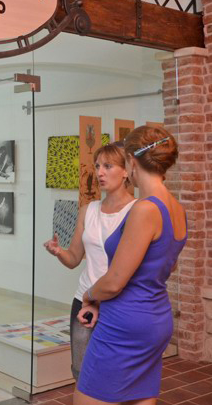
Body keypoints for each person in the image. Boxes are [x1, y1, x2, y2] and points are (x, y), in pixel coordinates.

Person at [74, 126, 185, 404]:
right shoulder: (176, 208)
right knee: (139, 397)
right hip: (157, 319)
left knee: (85, 398)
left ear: (132, 162)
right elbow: (168, 267)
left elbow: (114, 282)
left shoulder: (144, 209)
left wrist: (89, 296)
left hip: (125, 324)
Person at [44, 142, 135, 380]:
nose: (100, 172)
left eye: (108, 166)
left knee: (117, 375)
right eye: (97, 166)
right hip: (84, 299)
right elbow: (74, 259)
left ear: (126, 171)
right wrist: (58, 251)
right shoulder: (88, 210)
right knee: (81, 372)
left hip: (119, 302)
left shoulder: (137, 211)